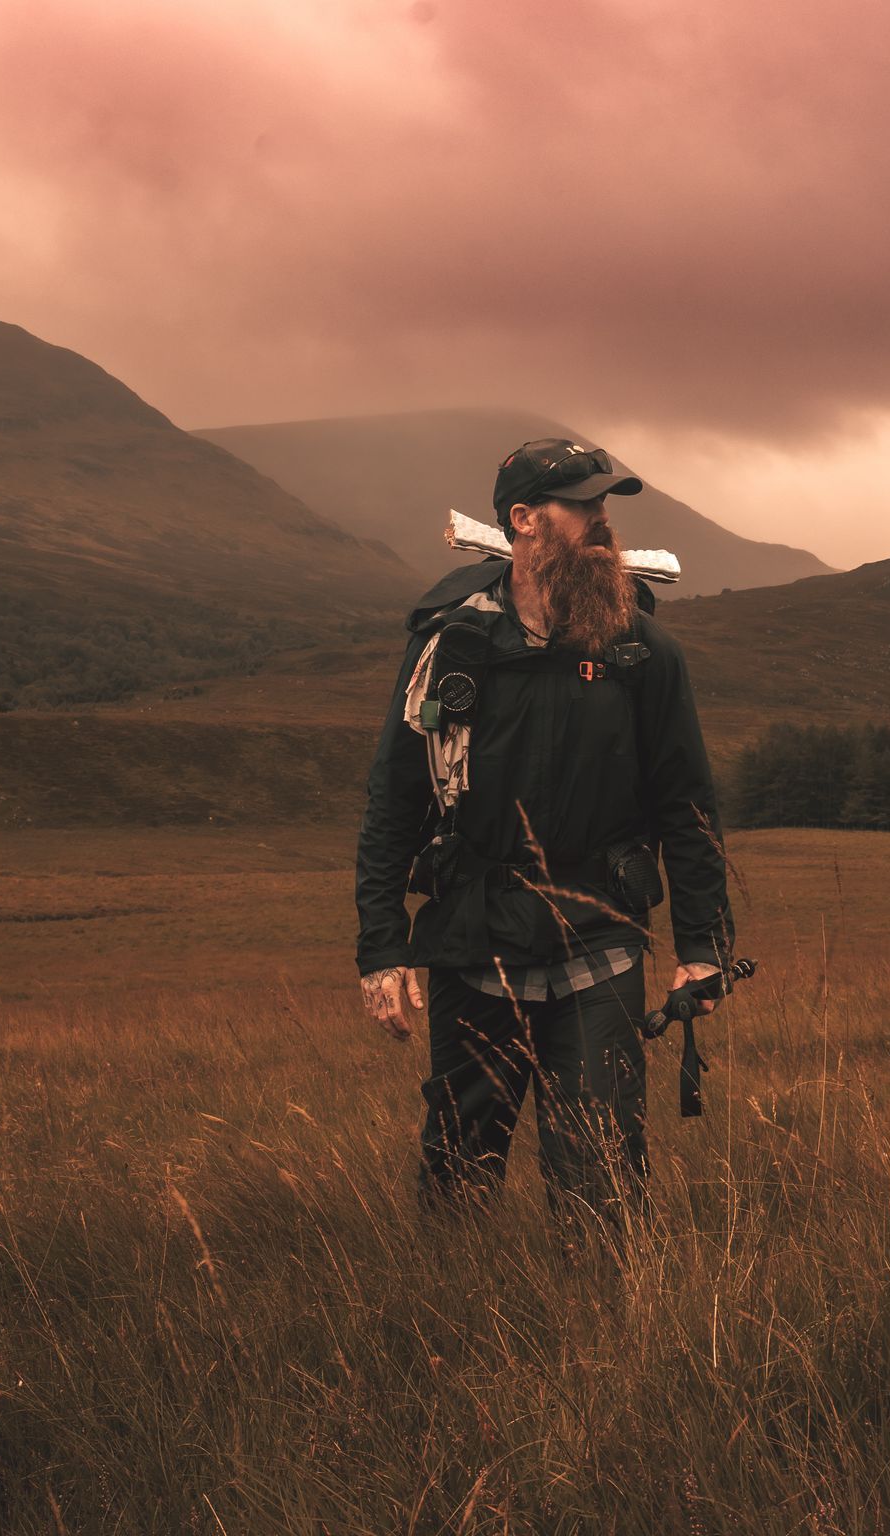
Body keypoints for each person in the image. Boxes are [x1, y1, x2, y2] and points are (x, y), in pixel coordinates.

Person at [354, 438, 733, 1223]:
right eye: (582, 506)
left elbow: (687, 806)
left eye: (605, 506)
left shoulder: (641, 651)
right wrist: (382, 948)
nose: (601, 522)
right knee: (457, 1172)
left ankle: (605, 1320)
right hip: (474, 935)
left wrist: (702, 949)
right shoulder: (452, 645)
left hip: (601, 937)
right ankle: (451, 1319)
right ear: (523, 520)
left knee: (602, 1174)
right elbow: (396, 796)